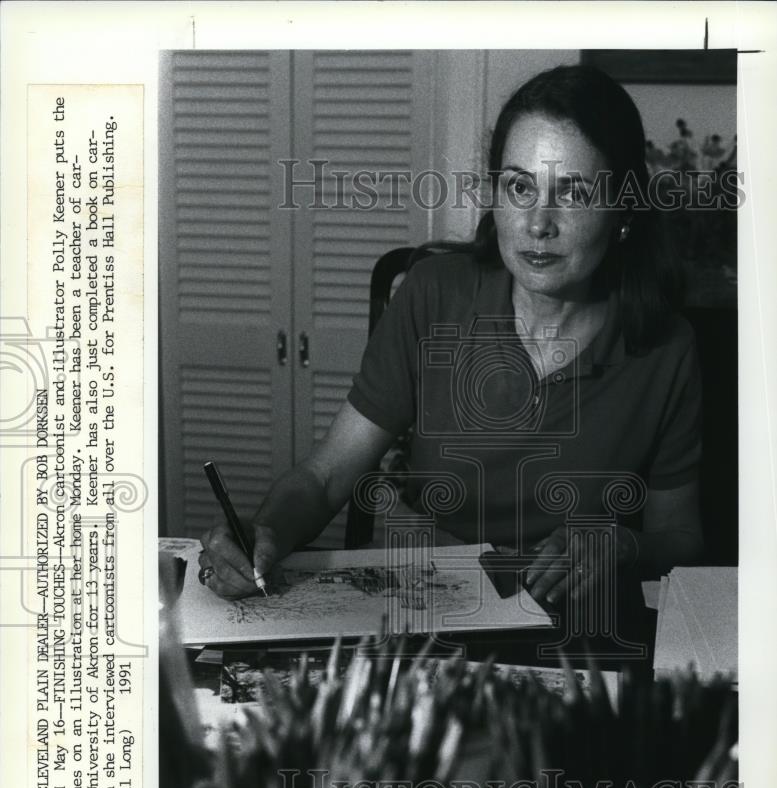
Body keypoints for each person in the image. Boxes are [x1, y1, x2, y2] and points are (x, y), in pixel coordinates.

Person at [199, 64, 704, 608]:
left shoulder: (667, 349)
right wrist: (266, 533)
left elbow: (683, 543)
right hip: (427, 607)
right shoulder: (433, 295)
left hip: (572, 627)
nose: (538, 224)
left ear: (623, 211)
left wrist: (619, 544)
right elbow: (325, 478)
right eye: (519, 186)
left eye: (575, 193)